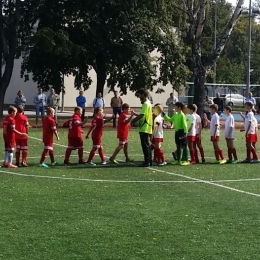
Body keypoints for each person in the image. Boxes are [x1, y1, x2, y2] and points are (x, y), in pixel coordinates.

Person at [131, 88, 153, 167]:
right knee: (147, 144)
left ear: (143, 94)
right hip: (147, 126)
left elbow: (142, 115)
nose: (139, 97)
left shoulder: (145, 104)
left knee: (145, 145)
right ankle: (149, 161)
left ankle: (147, 162)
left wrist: (133, 120)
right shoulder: (148, 103)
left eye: (139, 95)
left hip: (144, 126)